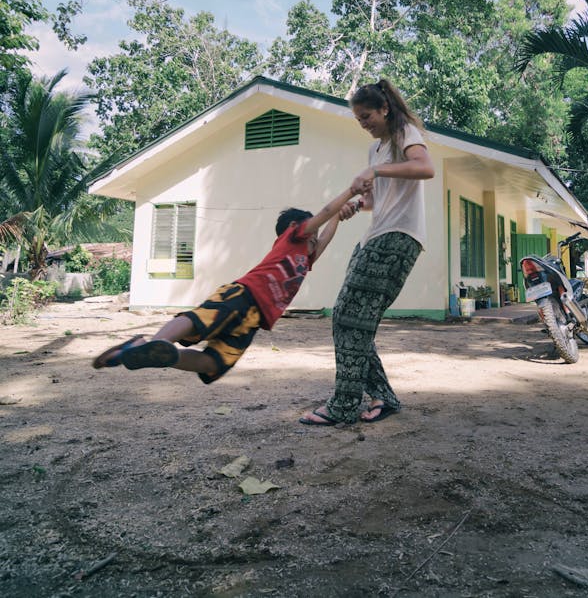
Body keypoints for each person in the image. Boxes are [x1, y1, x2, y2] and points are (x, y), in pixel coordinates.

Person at [92, 184, 364, 382]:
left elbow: (327, 234)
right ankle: (153, 342)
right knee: (199, 320)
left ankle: (160, 354)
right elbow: (327, 212)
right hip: (242, 295)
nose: (316, 235)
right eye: (313, 230)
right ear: (296, 225)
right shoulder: (293, 237)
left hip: (254, 320)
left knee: (214, 363)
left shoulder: (306, 258)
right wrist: (349, 193)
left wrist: (339, 219)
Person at [299, 79, 435, 426]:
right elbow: (376, 201)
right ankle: (383, 398)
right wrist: (356, 205)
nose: (364, 124)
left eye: (367, 116)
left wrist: (374, 170)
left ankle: (345, 405)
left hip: (399, 237)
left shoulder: (404, 134)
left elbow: (425, 168)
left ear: (384, 109)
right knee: (352, 321)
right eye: (359, 119)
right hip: (375, 235)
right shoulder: (374, 151)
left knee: (348, 317)